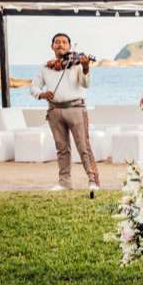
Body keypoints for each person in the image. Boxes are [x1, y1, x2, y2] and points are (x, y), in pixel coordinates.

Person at [29, 32, 100, 191]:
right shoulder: (45, 68)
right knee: (62, 149)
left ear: (69, 46)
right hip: (54, 111)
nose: (60, 44)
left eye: (64, 42)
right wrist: (41, 94)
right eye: (57, 42)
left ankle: (93, 180)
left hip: (76, 109)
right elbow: (33, 87)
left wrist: (86, 67)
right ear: (52, 46)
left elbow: (86, 84)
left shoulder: (76, 64)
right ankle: (64, 182)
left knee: (84, 147)